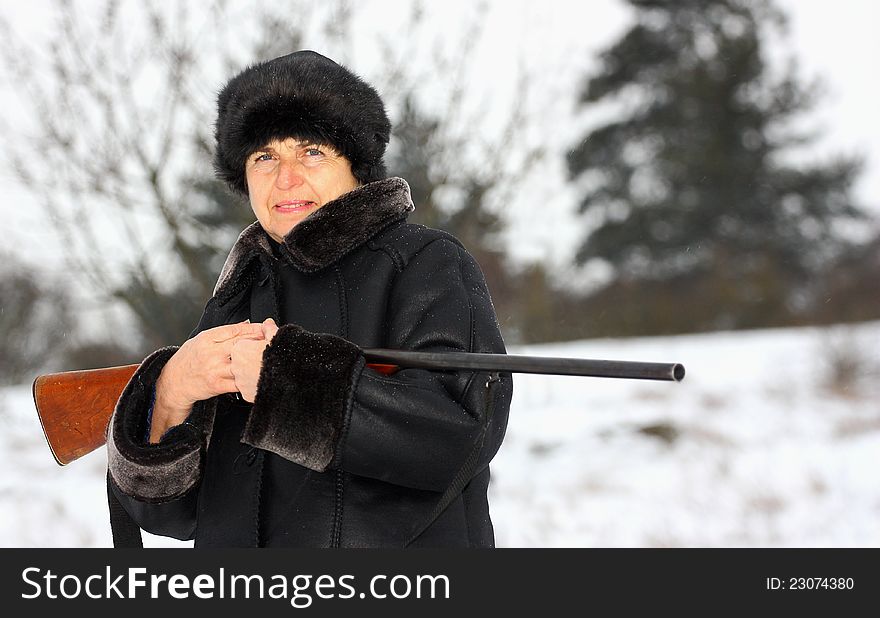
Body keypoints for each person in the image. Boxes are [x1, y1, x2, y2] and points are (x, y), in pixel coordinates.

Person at [106, 50, 513, 548]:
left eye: (312, 151)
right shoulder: (236, 294)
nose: (286, 177)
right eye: (264, 157)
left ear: (356, 166)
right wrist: (170, 393)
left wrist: (286, 384)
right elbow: (174, 518)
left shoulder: (426, 262)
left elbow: (456, 441)